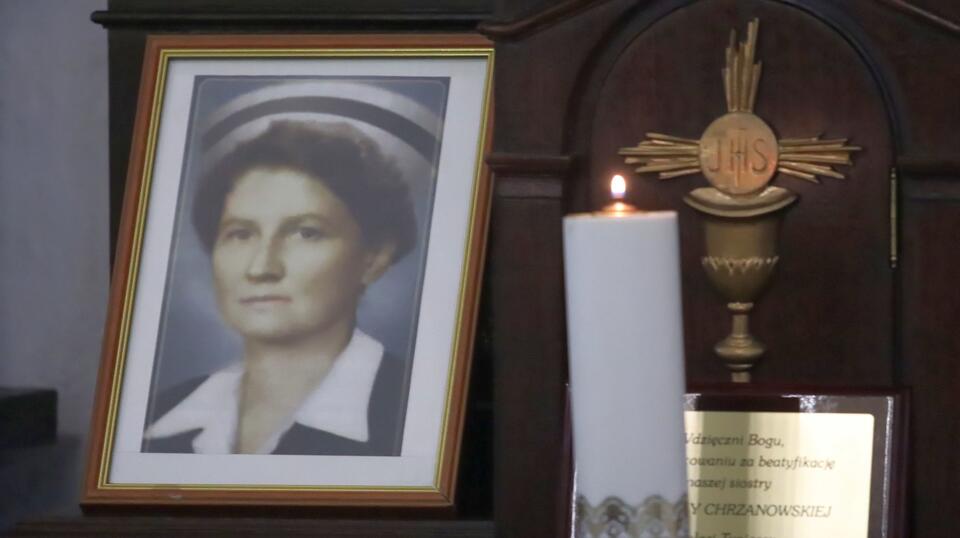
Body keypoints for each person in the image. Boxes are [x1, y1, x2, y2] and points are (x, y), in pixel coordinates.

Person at [141, 120, 416, 456]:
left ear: (373, 258)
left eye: (306, 232)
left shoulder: (415, 413)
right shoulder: (155, 419)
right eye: (240, 234)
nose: (261, 268)